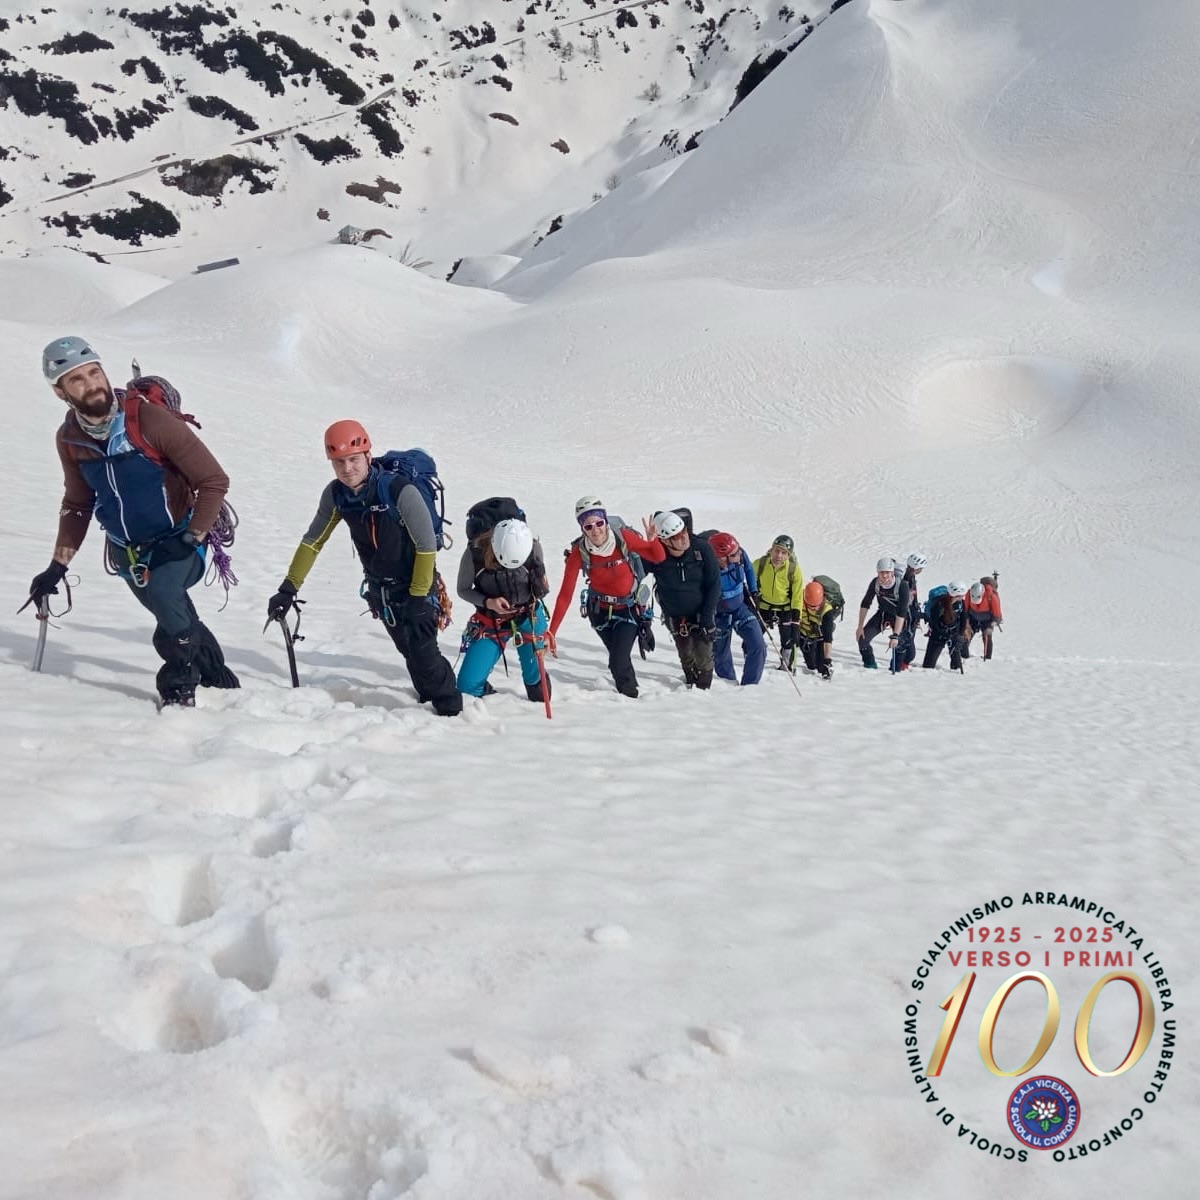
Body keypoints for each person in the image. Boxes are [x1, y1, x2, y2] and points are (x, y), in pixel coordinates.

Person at [29, 335, 238, 707]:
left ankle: (179, 689)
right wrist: (56, 566)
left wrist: (192, 537)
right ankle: (219, 680)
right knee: (173, 612)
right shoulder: (70, 440)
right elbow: (78, 504)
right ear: (60, 392)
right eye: (77, 379)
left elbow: (213, 481)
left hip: (181, 538)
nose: (91, 383)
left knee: (165, 594)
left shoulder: (148, 420)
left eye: (94, 372)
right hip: (129, 554)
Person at [268, 420, 461, 716]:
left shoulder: (397, 490)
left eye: (354, 459)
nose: (347, 469)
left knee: (425, 654)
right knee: (409, 651)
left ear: (368, 455)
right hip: (381, 591)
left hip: (416, 587)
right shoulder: (336, 495)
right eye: (339, 462)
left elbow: (425, 545)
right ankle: (429, 704)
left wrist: (420, 597)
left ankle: (452, 710)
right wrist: (288, 588)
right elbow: (313, 542)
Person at [549, 496, 664, 698]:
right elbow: (565, 595)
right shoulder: (579, 553)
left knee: (617, 660)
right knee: (618, 660)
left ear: (605, 520)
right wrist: (552, 632)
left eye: (599, 523)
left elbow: (658, 557)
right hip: (599, 612)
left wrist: (652, 541)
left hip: (628, 609)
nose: (596, 530)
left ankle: (629, 696)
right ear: (582, 528)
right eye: (588, 526)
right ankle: (631, 695)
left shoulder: (623, 538)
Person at [457, 513, 551, 701]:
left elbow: (539, 584)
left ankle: (537, 683)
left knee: (539, 692)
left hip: (528, 617)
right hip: (492, 622)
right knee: (467, 687)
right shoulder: (475, 554)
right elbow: (463, 589)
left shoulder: (533, 548)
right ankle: (489, 697)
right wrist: (488, 602)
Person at [642, 511, 720, 689]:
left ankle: (703, 692)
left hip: (701, 612)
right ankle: (689, 684)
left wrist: (707, 618)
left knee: (704, 655)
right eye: (676, 536)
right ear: (665, 540)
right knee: (685, 653)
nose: (683, 538)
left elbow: (714, 584)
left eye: (684, 531)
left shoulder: (702, 549)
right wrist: (649, 545)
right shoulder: (657, 555)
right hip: (675, 615)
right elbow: (637, 573)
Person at [709, 532, 766, 686]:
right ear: (720, 557)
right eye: (733, 554)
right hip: (718, 614)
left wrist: (754, 592)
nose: (738, 555)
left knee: (758, 644)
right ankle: (729, 686)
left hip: (739, 607)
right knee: (720, 655)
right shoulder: (706, 568)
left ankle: (750, 686)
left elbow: (748, 568)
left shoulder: (738, 553)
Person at [753, 534, 805, 671]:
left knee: (788, 641)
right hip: (763, 606)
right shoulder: (760, 564)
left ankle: (786, 666)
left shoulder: (794, 570)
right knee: (753, 636)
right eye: (777, 550)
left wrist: (796, 622)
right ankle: (753, 660)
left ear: (789, 555)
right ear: (771, 549)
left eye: (784, 553)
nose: (779, 555)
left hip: (785, 609)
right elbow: (749, 582)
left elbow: (797, 597)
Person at [855, 556, 912, 670]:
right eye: (881, 573)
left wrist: (895, 635)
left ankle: (896, 669)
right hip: (883, 614)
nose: (884, 576)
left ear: (892, 572)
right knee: (863, 639)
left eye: (887, 572)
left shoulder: (902, 585)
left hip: (900, 617)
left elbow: (902, 612)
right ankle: (869, 664)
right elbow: (865, 603)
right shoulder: (875, 583)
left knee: (901, 646)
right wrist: (860, 626)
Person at [923, 581, 970, 670]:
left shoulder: (961, 603)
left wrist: (960, 634)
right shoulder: (939, 603)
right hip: (938, 635)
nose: (962, 597)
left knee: (957, 666)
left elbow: (964, 618)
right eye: (960, 596)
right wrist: (945, 633)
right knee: (928, 665)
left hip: (954, 633)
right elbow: (934, 622)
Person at [797, 579, 836, 679]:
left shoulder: (827, 609)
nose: (814, 609)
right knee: (811, 666)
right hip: (803, 634)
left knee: (820, 667)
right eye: (811, 606)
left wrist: (827, 661)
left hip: (820, 636)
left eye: (816, 606)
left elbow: (828, 638)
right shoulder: (798, 599)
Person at [964, 576, 1003, 660]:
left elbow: (996, 610)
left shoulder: (991, 596)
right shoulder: (970, 593)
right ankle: (964, 653)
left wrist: (996, 620)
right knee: (967, 634)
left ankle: (987, 657)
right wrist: (966, 619)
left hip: (986, 619)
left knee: (987, 636)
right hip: (973, 617)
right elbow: (966, 607)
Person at [902, 552, 928, 636]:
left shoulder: (910, 576)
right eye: (920, 568)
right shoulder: (907, 578)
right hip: (907, 615)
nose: (921, 570)